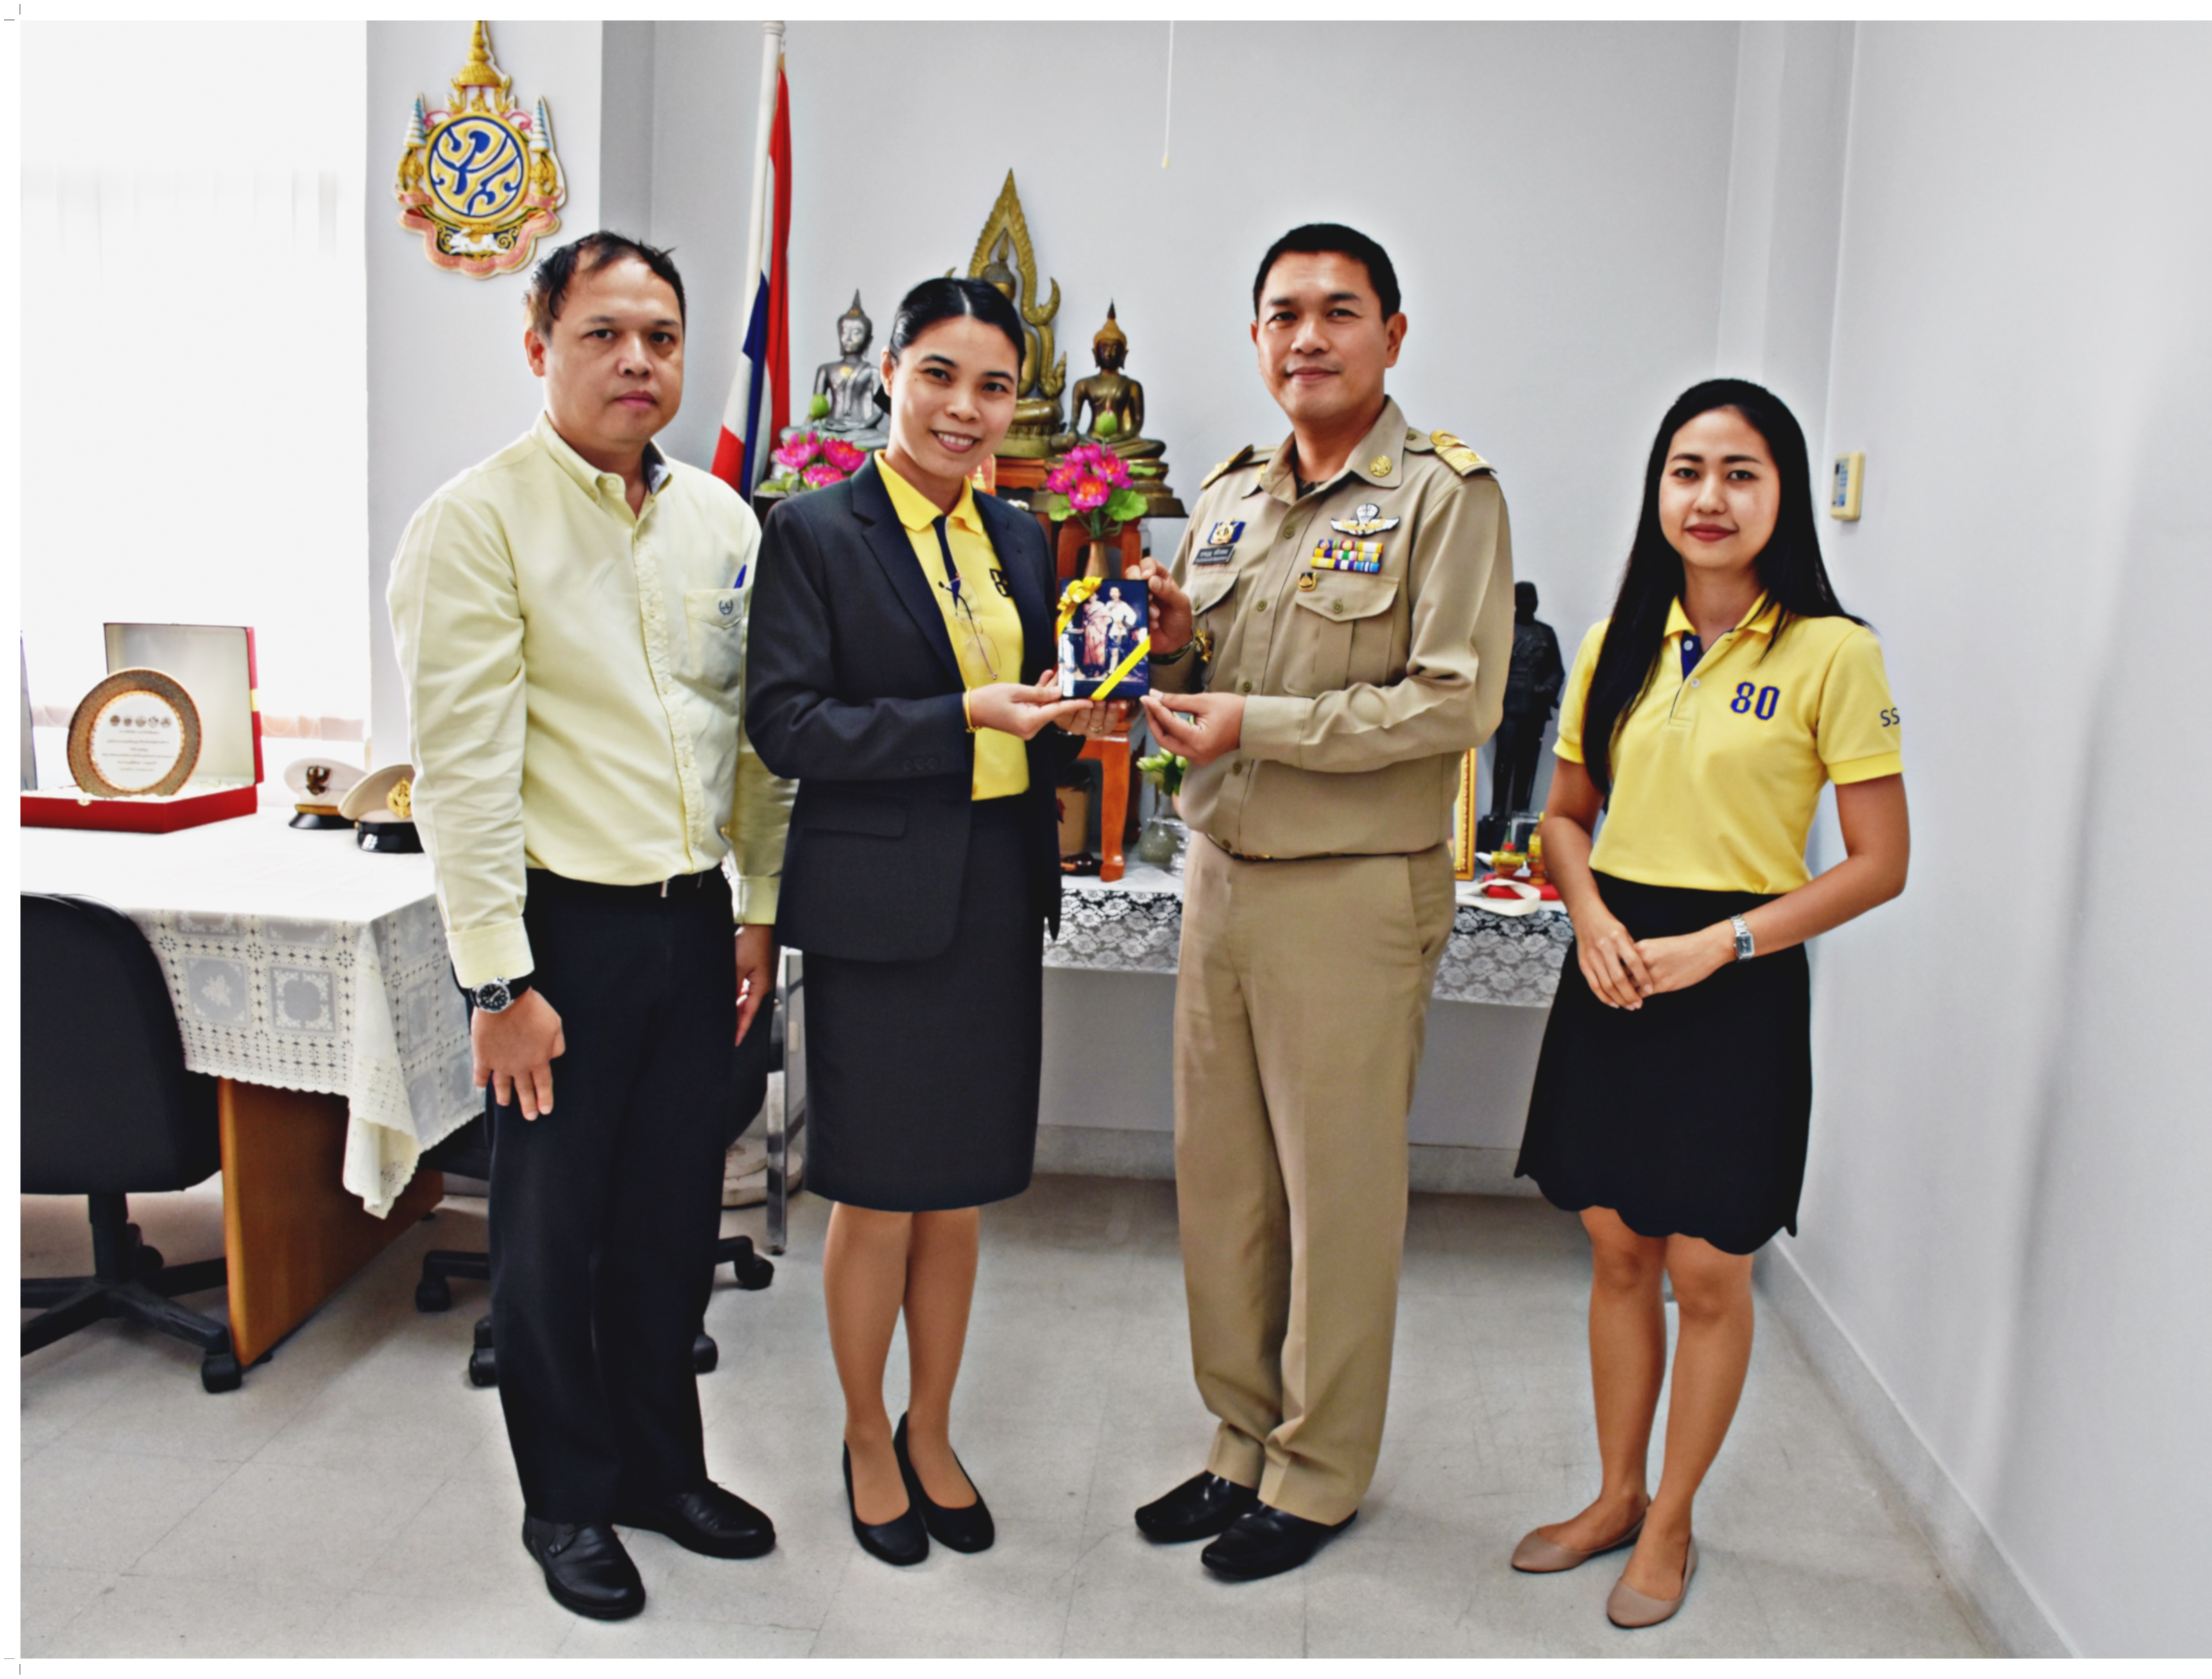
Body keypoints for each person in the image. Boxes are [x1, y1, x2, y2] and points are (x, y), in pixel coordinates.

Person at [386, 231, 794, 1621]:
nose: (637, 361)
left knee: (673, 1223)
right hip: (558, 937)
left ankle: (662, 1471)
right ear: (539, 346)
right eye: (603, 334)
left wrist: (756, 909)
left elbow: (751, 743)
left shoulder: (722, 522)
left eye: (661, 337)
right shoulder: (478, 522)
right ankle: (566, 1498)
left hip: (695, 927)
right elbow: (463, 775)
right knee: (551, 1240)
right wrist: (500, 983)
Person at [1128, 224, 1514, 1580]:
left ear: (1392, 335)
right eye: (1283, 312)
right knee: (1223, 1186)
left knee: (1335, 1198)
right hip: (1222, 877)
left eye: (1339, 311)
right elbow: (1212, 671)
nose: (1308, 336)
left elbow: (1454, 702)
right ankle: (1239, 1442)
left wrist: (1259, 723)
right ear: (1255, 340)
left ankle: (1319, 1470)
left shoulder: (1445, 498)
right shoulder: (1230, 493)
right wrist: (1176, 644)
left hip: (1352, 890)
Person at [1509, 378, 1909, 1628]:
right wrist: (1589, 918)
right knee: (1617, 1246)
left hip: (1736, 978)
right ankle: (1613, 1493)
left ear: (1783, 494)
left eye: (1740, 472)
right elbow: (1562, 819)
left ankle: (1671, 1518)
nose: (1709, 497)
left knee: (1708, 1267)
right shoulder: (1612, 642)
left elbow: (1878, 863)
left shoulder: (1832, 652)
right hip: (1614, 963)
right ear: (1657, 490)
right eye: (1686, 470)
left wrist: (1721, 944)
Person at [744, 277, 1096, 1568]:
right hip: (876, 910)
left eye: (993, 386)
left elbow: (1031, 713)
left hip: (994, 895)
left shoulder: (1022, 538)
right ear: (889, 372)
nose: (964, 407)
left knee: (958, 1194)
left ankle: (932, 1425)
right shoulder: (812, 532)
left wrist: (1065, 714)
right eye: (940, 374)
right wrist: (960, 718)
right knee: (880, 1192)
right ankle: (863, 1434)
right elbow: (787, 724)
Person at [1485, 579, 1567, 848]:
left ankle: (1521, 811)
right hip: (1508, 708)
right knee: (1505, 759)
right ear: (1516, 602)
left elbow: (1557, 670)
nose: (1530, 604)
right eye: (1525, 599)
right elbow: (1491, 667)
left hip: (1534, 708)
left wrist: (1549, 688)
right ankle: (1498, 811)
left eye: (1533, 599)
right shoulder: (1503, 631)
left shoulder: (1546, 634)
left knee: (1527, 764)